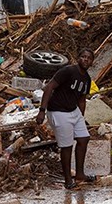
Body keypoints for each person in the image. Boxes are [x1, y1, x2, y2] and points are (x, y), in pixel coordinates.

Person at [36, 48, 96, 189]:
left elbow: (82, 99)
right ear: (78, 58)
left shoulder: (86, 79)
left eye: (89, 58)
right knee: (66, 146)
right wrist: (42, 111)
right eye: (83, 56)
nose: (85, 59)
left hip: (73, 111)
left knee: (83, 139)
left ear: (92, 62)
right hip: (58, 111)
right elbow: (49, 87)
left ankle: (80, 174)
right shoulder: (68, 71)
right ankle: (68, 180)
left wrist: (81, 116)